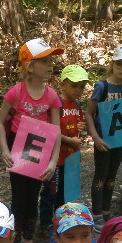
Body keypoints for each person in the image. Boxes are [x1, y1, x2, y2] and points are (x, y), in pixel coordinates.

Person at [0, 38, 63, 243]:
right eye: (45, 60)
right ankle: (14, 239)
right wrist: (4, 150)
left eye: (51, 60)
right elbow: (0, 122)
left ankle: (28, 239)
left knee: (33, 195)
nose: (51, 64)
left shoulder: (51, 96)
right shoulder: (16, 92)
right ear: (30, 66)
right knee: (19, 195)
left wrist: (53, 161)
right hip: (18, 146)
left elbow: (56, 131)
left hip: (40, 150)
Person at [85, 44, 122, 230]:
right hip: (103, 139)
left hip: (120, 140)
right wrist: (95, 137)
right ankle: (97, 213)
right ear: (112, 64)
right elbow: (89, 113)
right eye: (119, 64)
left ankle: (106, 210)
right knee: (101, 175)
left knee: (112, 176)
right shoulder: (102, 86)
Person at [38, 64, 89, 231]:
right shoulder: (57, 104)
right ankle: (45, 223)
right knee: (50, 190)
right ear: (62, 84)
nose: (78, 90)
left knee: (66, 190)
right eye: (74, 86)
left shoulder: (77, 105)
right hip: (55, 157)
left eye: (81, 87)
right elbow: (51, 130)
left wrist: (80, 128)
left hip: (70, 156)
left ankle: (61, 219)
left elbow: (76, 127)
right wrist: (69, 139)